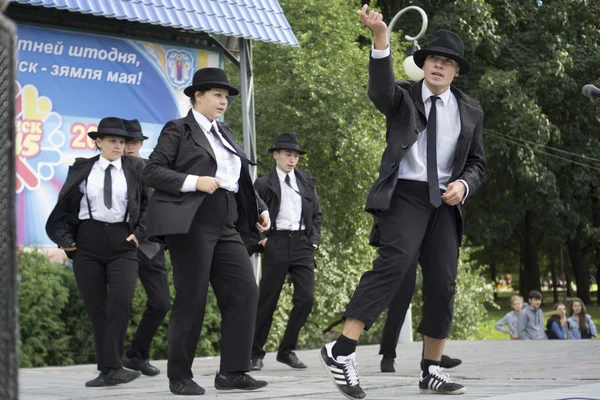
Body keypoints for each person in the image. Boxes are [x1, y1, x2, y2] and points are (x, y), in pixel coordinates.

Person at [319, 5, 485, 398]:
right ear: (423, 64)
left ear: (456, 71)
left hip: (445, 202)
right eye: (433, 60)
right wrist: (380, 37)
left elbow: (477, 164)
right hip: (405, 195)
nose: (439, 67)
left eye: (447, 63)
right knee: (395, 264)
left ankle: (431, 370)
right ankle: (341, 349)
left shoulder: (471, 110)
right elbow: (378, 88)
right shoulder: (403, 98)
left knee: (443, 284)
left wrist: (464, 185)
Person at [143, 67, 271, 396]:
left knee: (245, 291)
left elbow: (236, 177)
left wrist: (260, 208)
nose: (223, 101)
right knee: (192, 297)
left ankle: (232, 372)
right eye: (217, 94)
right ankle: (179, 375)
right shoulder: (179, 129)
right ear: (197, 96)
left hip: (226, 219)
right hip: (192, 219)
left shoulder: (224, 131)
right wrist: (193, 182)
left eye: (226, 96)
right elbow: (152, 171)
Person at [45, 117, 147, 387]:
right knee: (97, 308)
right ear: (98, 142)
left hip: (122, 241)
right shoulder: (82, 169)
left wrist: (141, 233)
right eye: (112, 140)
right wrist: (65, 239)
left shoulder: (135, 169)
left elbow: (150, 205)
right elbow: (65, 209)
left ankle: (112, 366)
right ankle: (109, 369)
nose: (118, 146)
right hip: (87, 242)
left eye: (122, 141)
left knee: (121, 301)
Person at [250, 133, 322, 371]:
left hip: (302, 243)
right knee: (267, 302)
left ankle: (286, 350)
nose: (292, 160)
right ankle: (255, 353)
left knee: (306, 298)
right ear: (276, 155)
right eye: (288, 155)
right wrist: (263, 241)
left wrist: (312, 242)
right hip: (276, 241)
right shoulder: (262, 183)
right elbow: (249, 215)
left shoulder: (306, 180)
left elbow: (317, 214)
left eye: (295, 156)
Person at [120, 119, 170, 376]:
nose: (129, 146)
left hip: (149, 245)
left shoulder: (150, 168)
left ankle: (136, 355)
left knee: (161, 302)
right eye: (125, 141)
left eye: (134, 142)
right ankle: (112, 362)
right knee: (118, 303)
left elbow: (157, 205)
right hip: (116, 245)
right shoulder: (107, 169)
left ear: (140, 144)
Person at [378, 259, 462, 373]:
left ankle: (431, 356)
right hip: (408, 243)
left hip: (433, 242)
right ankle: (388, 356)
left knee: (436, 295)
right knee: (399, 301)